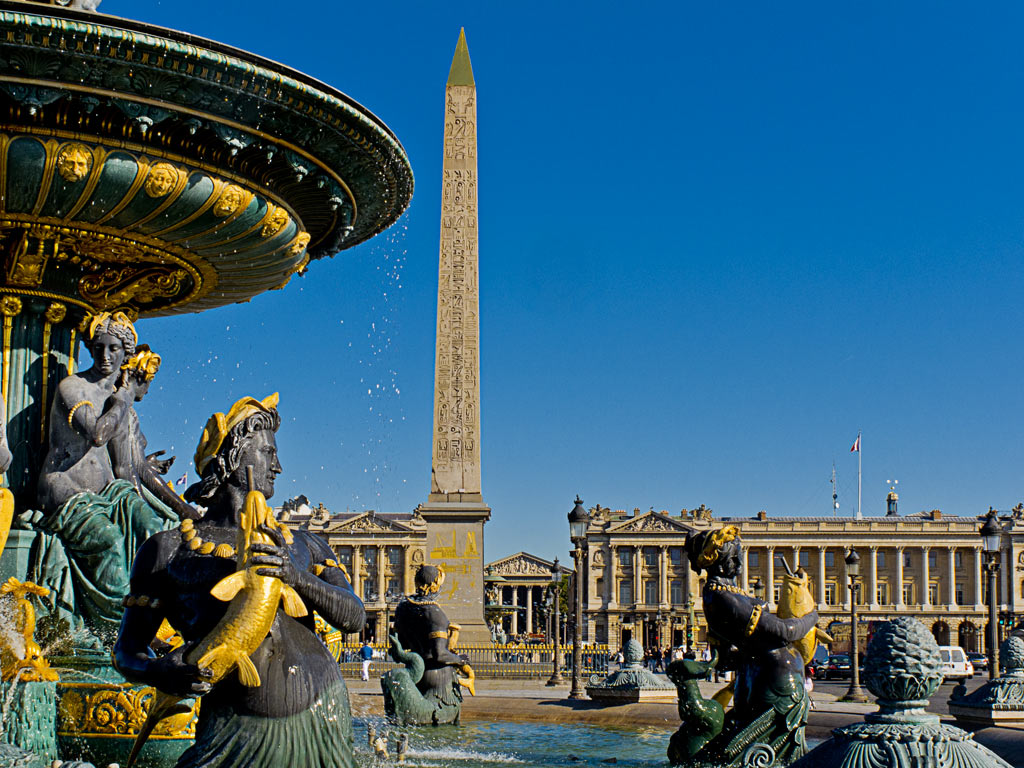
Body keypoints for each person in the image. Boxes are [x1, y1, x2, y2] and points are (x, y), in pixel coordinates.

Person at [114, 393, 365, 768]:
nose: (278, 466)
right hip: (233, 735)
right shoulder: (167, 551)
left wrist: (296, 578)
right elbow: (126, 651)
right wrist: (159, 670)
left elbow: (355, 617)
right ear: (232, 457)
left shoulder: (304, 544)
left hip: (323, 721)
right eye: (267, 453)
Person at [35, 312, 188, 640]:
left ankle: (154, 616)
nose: (105, 357)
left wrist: (177, 513)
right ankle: (115, 632)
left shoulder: (123, 407)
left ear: (125, 352)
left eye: (114, 349)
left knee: (153, 530)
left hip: (108, 490)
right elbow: (98, 435)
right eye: (99, 348)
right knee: (108, 540)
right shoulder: (72, 387)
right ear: (90, 349)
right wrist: (123, 396)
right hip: (65, 486)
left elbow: (124, 470)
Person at [683, 526, 818, 762]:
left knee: (747, 754)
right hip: (777, 686)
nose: (740, 565)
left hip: (756, 680)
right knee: (776, 758)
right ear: (720, 561)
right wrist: (812, 615)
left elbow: (725, 660)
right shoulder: (725, 598)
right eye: (734, 557)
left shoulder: (721, 594)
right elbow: (786, 631)